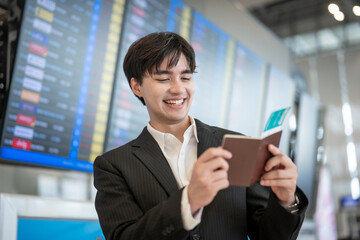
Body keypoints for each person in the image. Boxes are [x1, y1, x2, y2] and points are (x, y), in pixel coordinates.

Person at [93, 32, 308, 240]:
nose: (179, 89)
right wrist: (189, 201)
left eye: (185, 77)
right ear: (136, 86)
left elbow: (269, 236)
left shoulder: (234, 145)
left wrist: (285, 199)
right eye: (163, 79)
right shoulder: (113, 166)